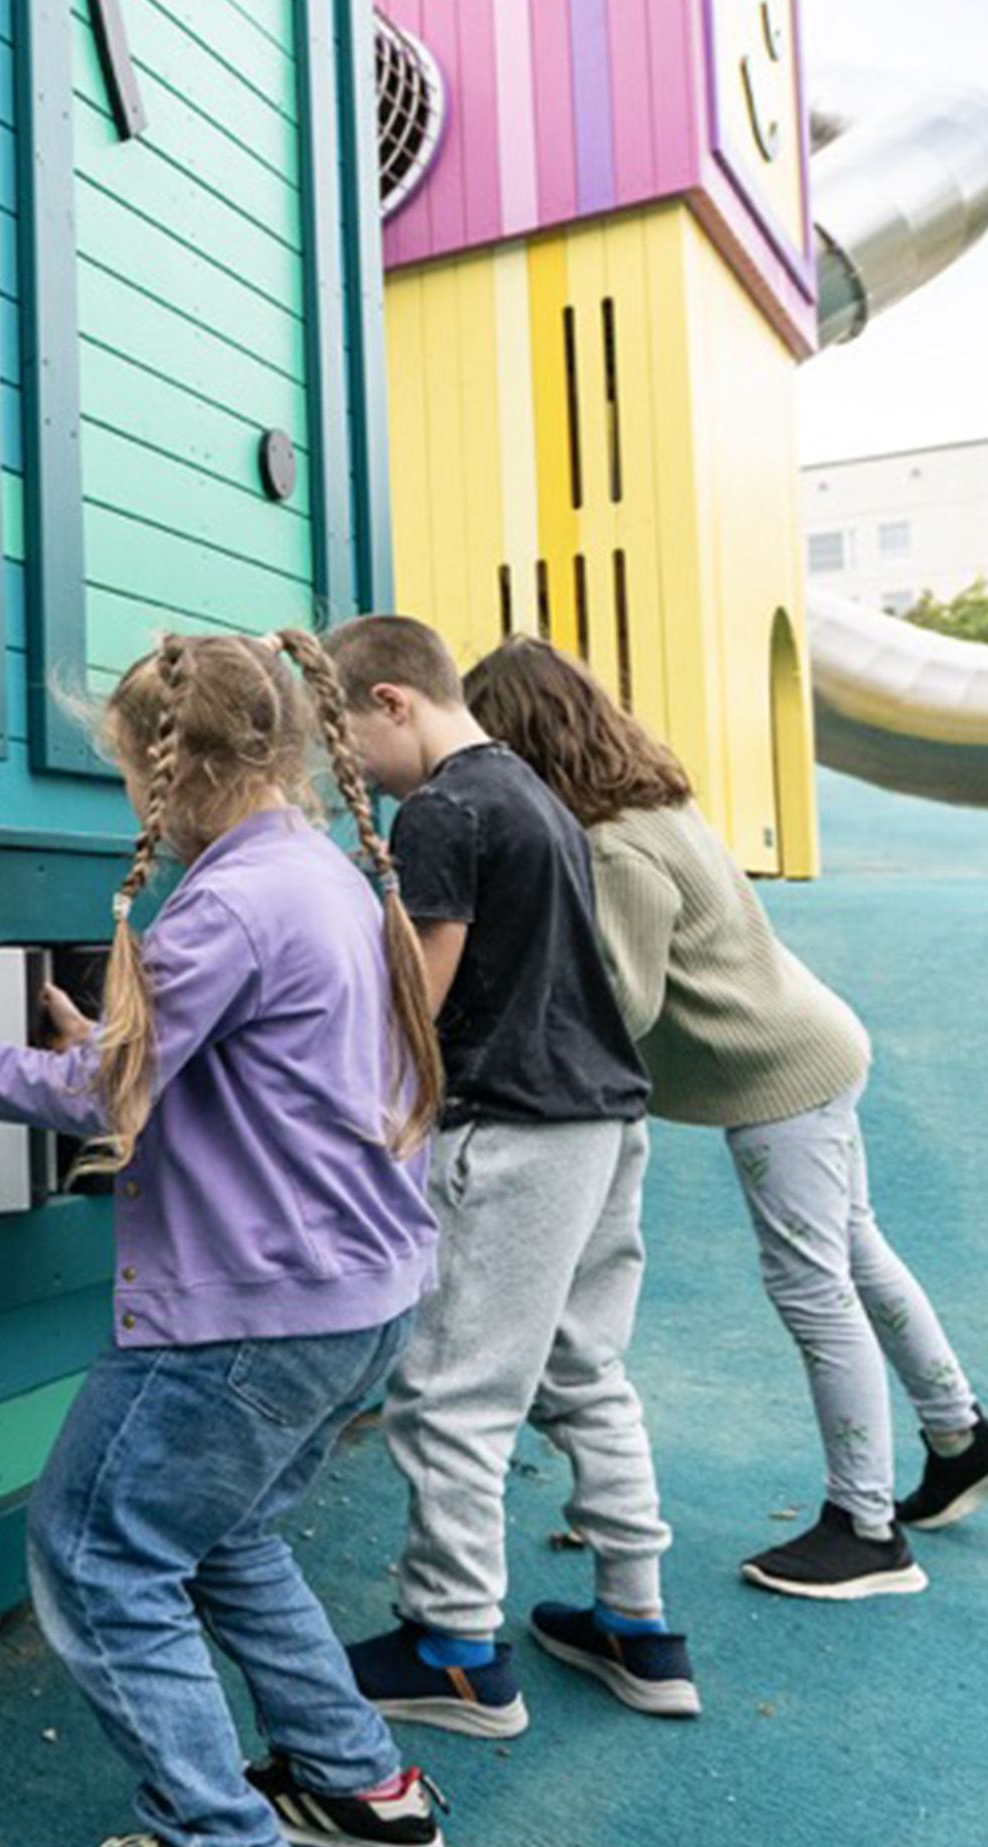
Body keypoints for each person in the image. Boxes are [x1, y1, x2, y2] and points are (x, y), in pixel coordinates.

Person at [0, 629, 448, 1847]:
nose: (127, 800)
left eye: (127, 773)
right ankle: (362, 1784)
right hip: (361, 1295)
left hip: (249, 1313)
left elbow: (100, 1096)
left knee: (97, 1547)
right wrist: (107, 1036)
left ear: (169, 775)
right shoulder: (325, 876)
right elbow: (215, 1069)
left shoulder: (226, 903)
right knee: (225, 1535)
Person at [463, 635, 988, 1596]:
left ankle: (867, 1531)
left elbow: (623, 1002)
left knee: (812, 1287)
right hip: (813, 1049)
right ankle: (963, 1435)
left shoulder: (616, 850)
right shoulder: (652, 800)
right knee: (855, 1252)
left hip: (777, 1077)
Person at [325, 614, 697, 1732]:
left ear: (392, 701)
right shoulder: (534, 795)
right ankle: (640, 1624)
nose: (353, 776)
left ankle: (452, 1645)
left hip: (515, 1129)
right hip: (606, 1118)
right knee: (585, 1371)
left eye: (347, 748)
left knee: (450, 1393)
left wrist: (353, 1114)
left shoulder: (440, 809)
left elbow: (415, 1008)